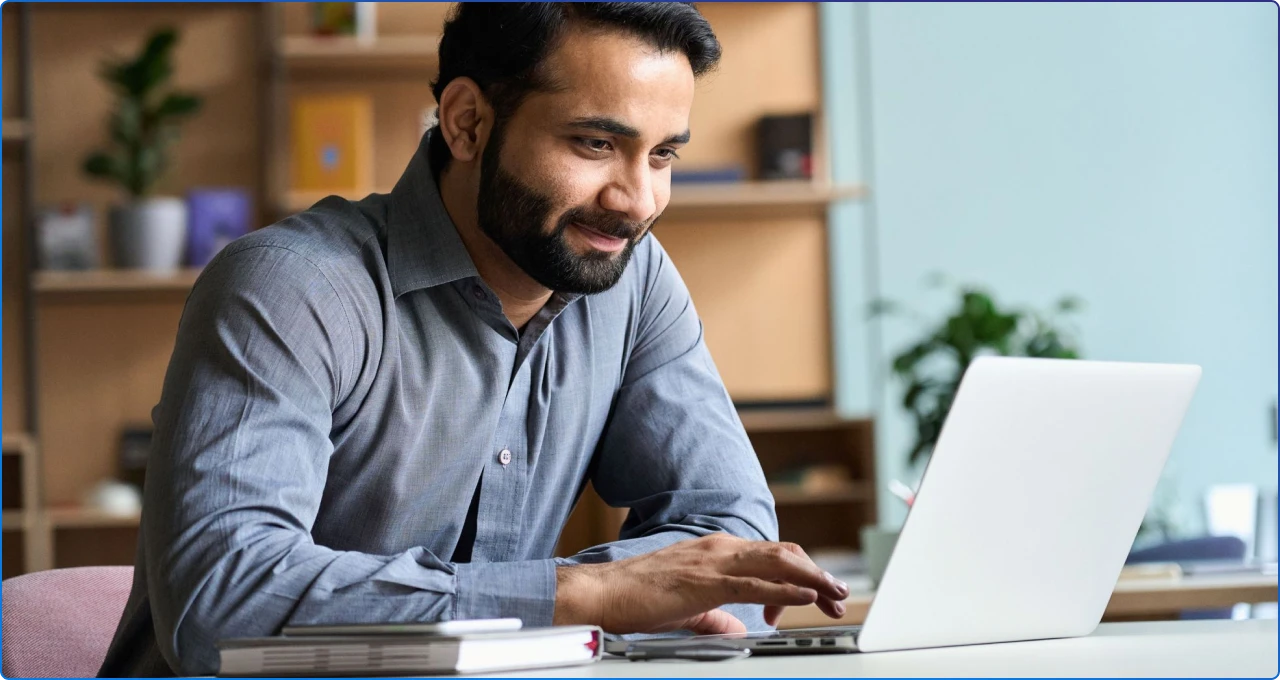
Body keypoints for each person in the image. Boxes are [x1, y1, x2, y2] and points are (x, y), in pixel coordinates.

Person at [98, 3, 847, 676]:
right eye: (594, 143)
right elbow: (222, 602)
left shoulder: (633, 279)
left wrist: (621, 598)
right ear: (466, 123)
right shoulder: (291, 287)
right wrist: (584, 594)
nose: (637, 201)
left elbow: (731, 532)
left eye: (662, 156)